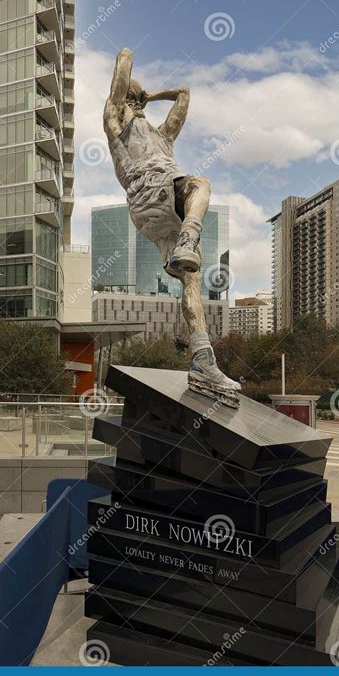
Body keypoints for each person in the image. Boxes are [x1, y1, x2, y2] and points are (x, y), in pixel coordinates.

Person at [103, 47, 240, 407]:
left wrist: (151, 95)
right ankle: (190, 235)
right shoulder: (117, 127)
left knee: (190, 279)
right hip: (154, 190)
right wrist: (130, 66)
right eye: (134, 100)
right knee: (200, 185)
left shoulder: (163, 136)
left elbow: (184, 94)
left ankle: (202, 357)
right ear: (125, 102)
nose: (138, 106)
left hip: (152, 216)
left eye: (137, 101)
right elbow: (124, 63)